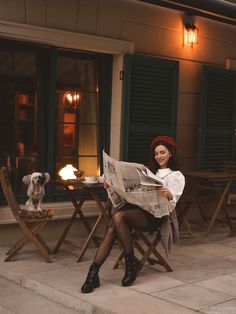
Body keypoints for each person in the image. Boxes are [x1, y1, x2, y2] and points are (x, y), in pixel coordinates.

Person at [81, 135, 185, 293]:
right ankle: (95, 272)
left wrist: (169, 194)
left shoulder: (176, 176)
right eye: (156, 153)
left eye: (162, 152)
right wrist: (112, 185)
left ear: (170, 153)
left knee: (117, 218)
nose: (159, 156)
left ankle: (125, 264)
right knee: (114, 225)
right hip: (138, 211)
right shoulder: (148, 172)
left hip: (156, 217)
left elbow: (173, 203)